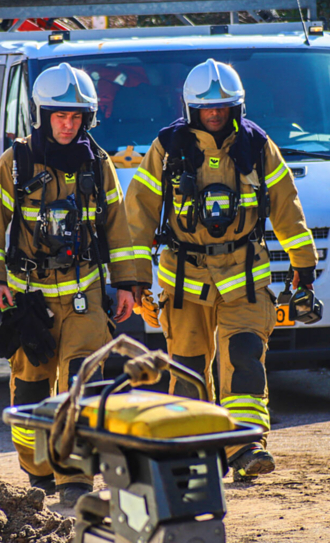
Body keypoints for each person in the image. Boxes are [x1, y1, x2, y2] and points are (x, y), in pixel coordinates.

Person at [125, 59, 319, 481]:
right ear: (191, 109)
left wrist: (304, 267)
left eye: (223, 107)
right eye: (206, 108)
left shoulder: (256, 146)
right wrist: (135, 278)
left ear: (237, 107)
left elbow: (287, 206)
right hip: (183, 282)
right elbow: (137, 215)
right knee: (189, 369)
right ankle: (197, 451)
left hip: (245, 279)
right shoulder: (168, 148)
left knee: (245, 358)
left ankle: (247, 445)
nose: (214, 115)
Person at [0, 63, 139, 507]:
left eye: (76, 117)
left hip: (85, 297)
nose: (68, 126)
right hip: (31, 300)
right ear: (43, 115)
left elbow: (118, 230)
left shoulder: (98, 163)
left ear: (87, 118)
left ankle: (76, 480)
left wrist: (126, 285)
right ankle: (39, 468)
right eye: (60, 116)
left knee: (83, 388)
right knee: (30, 394)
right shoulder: (17, 162)